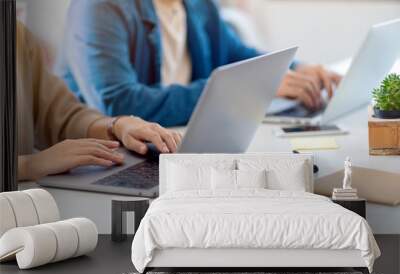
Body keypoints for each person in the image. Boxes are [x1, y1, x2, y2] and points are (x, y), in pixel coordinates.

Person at [56, 0, 341, 127]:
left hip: (179, 144)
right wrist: (241, 88)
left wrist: (296, 69)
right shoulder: (98, 6)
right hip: (109, 159)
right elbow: (117, 104)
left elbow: (237, 55)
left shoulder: (198, 5)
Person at [16, 22, 181, 181]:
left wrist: (116, 125)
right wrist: (28, 165)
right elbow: (121, 98)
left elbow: (62, 116)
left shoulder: (16, 35)